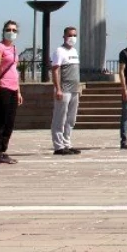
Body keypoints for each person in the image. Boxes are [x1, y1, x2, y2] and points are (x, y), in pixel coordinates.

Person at [0, 19, 23, 164]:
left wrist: (19, 91)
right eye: (9, 30)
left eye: (14, 30)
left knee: (10, 121)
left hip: (13, 87)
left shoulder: (14, 49)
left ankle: (3, 150)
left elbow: (15, 70)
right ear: (3, 31)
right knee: (0, 120)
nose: (11, 32)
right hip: (3, 87)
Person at [50, 27, 82, 156]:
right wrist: (58, 88)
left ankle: (67, 143)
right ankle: (58, 146)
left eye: (74, 35)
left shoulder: (74, 51)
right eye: (70, 35)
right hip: (64, 89)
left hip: (74, 89)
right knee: (60, 118)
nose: (72, 38)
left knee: (71, 119)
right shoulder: (59, 51)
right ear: (64, 36)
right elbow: (55, 70)